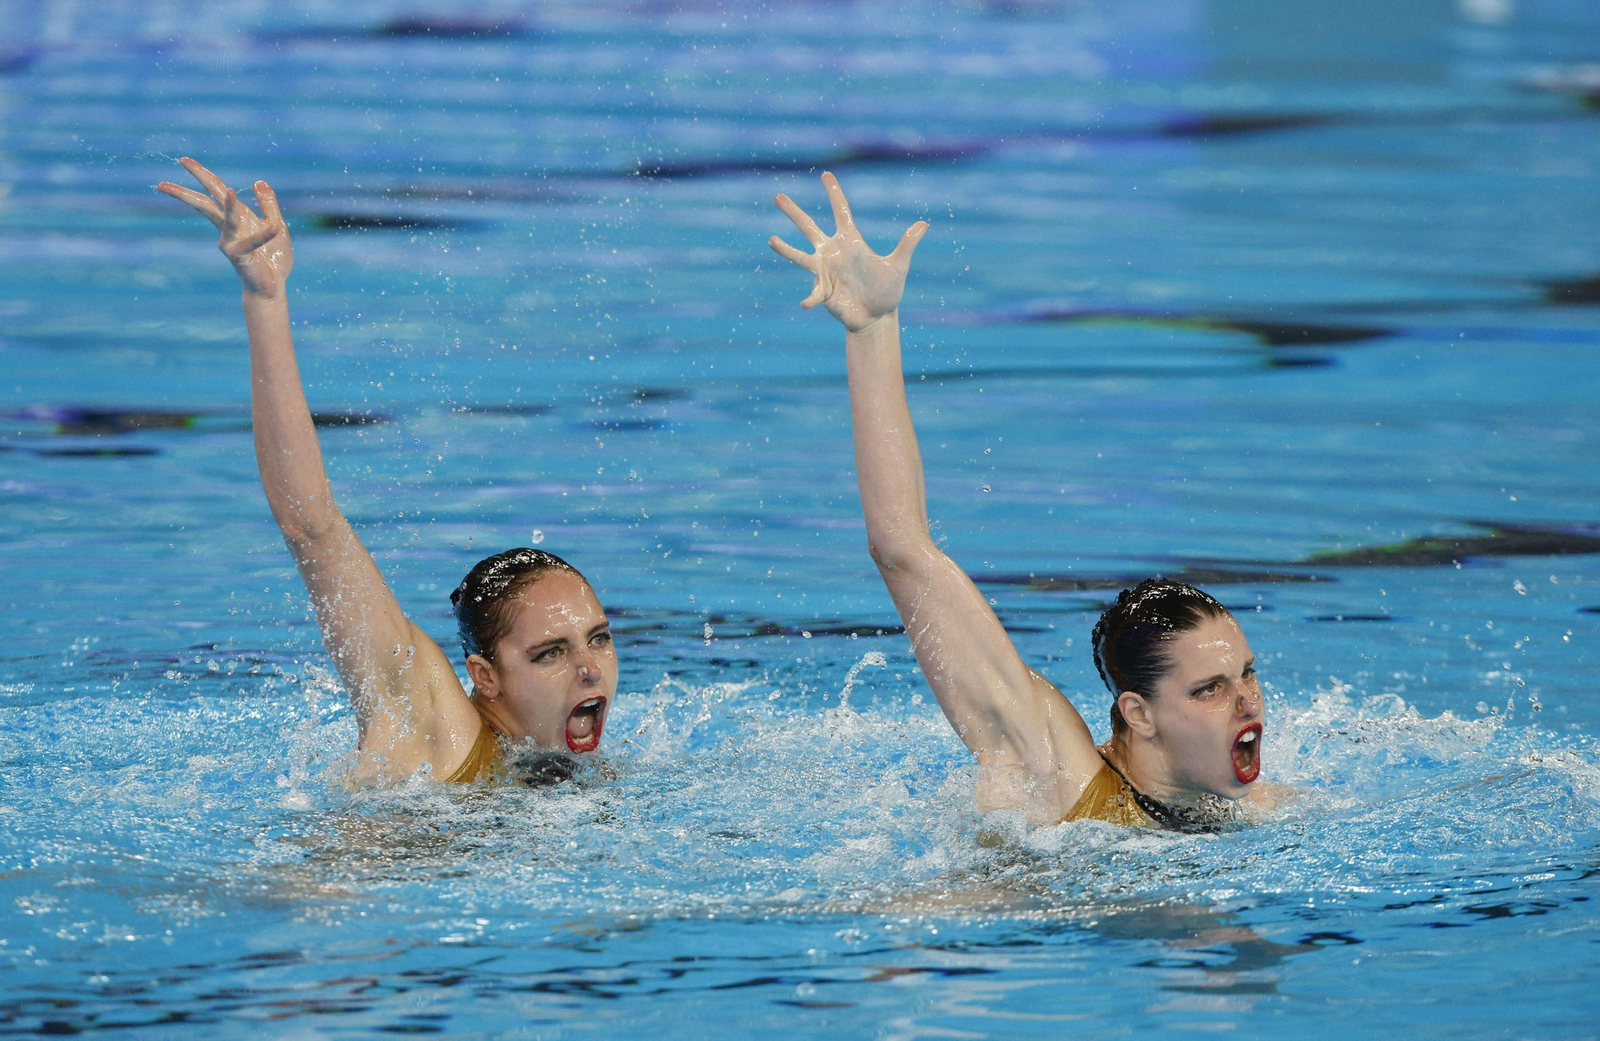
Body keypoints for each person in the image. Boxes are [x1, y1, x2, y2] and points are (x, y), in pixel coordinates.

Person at [768, 173, 1268, 830]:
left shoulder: (1243, 806)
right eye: (1211, 689)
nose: (1247, 704)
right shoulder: (1059, 772)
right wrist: (873, 328)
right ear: (1138, 713)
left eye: (1248, 674)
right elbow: (900, 546)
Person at [158, 158, 615, 784]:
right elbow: (311, 526)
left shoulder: (568, 765)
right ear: (485, 676)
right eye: (550, 654)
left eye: (598, 638)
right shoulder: (436, 722)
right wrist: (265, 298)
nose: (590, 670)